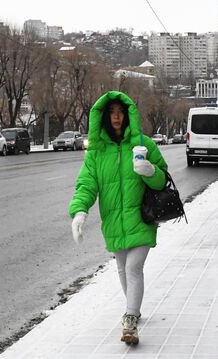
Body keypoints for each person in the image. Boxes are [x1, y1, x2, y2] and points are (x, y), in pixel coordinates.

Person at [68, 91, 168, 345]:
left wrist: (150, 171)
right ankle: (133, 307)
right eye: (111, 112)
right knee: (122, 268)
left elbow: (163, 179)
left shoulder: (144, 144)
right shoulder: (97, 152)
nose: (116, 116)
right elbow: (86, 185)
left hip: (141, 217)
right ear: (102, 116)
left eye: (120, 112)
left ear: (128, 115)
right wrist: (80, 211)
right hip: (113, 221)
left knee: (134, 267)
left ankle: (130, 319)